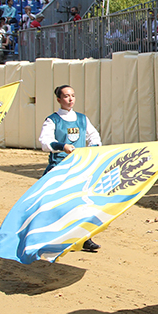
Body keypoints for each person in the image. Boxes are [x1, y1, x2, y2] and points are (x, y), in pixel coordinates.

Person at [38, 85, 102, 251]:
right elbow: (45, 142)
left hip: (79, 167)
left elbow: (94, 136)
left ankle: (84, 238)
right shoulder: (52, 120)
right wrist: (62, 146)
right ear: (59, 99)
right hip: (58, 168)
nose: (70, 99)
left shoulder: (82, 119)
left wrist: (92, 147)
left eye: (73, 95)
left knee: (82, 203)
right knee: (54, 205)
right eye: (66, 96)